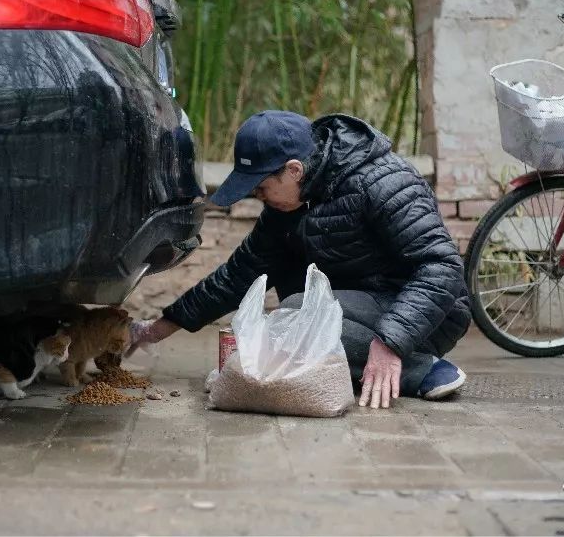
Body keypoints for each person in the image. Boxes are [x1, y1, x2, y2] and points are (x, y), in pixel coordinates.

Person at [130, 110, 471, 408]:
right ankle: (371, 363)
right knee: (289, 317)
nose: (258, 197)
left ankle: (423, 369)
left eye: (261, 188)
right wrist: (154, 331)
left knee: (293, 314)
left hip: (427, 314)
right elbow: (238, 275)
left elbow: (441, 267)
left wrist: (392, 342)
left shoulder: (382, 181)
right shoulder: (289, 205)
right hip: (355, 306)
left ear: (293, 170)